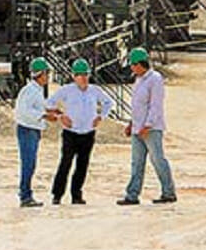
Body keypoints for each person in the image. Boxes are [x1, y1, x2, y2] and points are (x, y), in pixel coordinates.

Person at [46, 58, 115, 205]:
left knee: (82, 165)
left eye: (85, 74)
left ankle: (76, 195)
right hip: (71, 133)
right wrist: (60, 116)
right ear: (73, 76)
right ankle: (57, 194)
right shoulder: (66, 90)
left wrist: (100, 116)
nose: (83, 78)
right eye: (79, 75)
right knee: (65, 163)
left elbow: (109, 103)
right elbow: (49, 103)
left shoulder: (94, 91)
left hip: (88, 133)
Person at [117, 47, 177, 205]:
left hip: (151, 129)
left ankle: (168, 192)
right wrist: (131, 123)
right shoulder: (138, 80)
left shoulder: (155, 79)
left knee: (158, 160)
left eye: (133, 65)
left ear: (140, 64)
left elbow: (155, 105)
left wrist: (148, 125)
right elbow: (137, 106)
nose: (131, 68)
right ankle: (132, 195)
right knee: (137, 163)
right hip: (138, 128)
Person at [14, 57, 57, 207]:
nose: (48, 77)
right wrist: (45, 115)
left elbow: (37, 106)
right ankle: (25, 196)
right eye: (47, 74)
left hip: (33, 130)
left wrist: (50, 110)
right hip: (27, 130)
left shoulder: (36, 90)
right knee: (28, 164)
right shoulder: (29, 91)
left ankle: (25, 193)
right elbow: (23, 111)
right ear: (41, 74)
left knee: (31, 164)